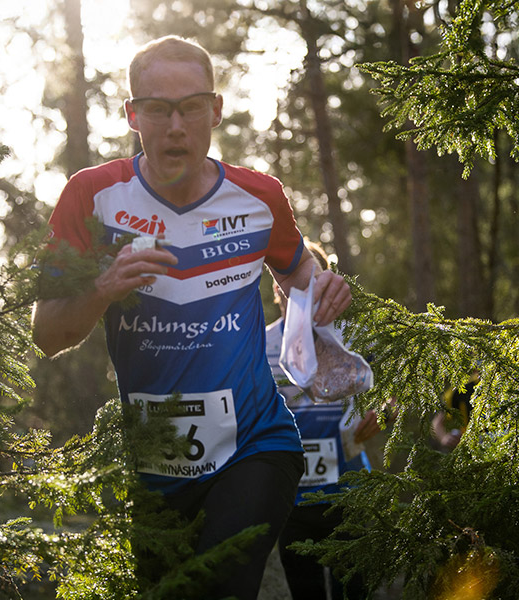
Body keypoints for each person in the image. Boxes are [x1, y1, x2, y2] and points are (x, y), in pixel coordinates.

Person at [31, 35, 353, 599]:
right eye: (157, 108)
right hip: (156, 465)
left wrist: (323, 288)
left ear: (216, 109)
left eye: (192, 106)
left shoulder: (259, 198)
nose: (176, 125)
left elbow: (302, 276)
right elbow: (48, 335)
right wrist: (102, 290)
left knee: (215, 588)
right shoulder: (91, 197)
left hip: (258, 445)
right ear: (132, 115)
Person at [263, 243, 388, 600]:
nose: (308, 292)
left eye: (316, 282)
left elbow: (393, 386)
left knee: (357, 592)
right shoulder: (261, 342)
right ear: (279, 289)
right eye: (299, 285)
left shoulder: (351, 339)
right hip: (292, 499)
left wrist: (385, 410)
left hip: (349, 490)